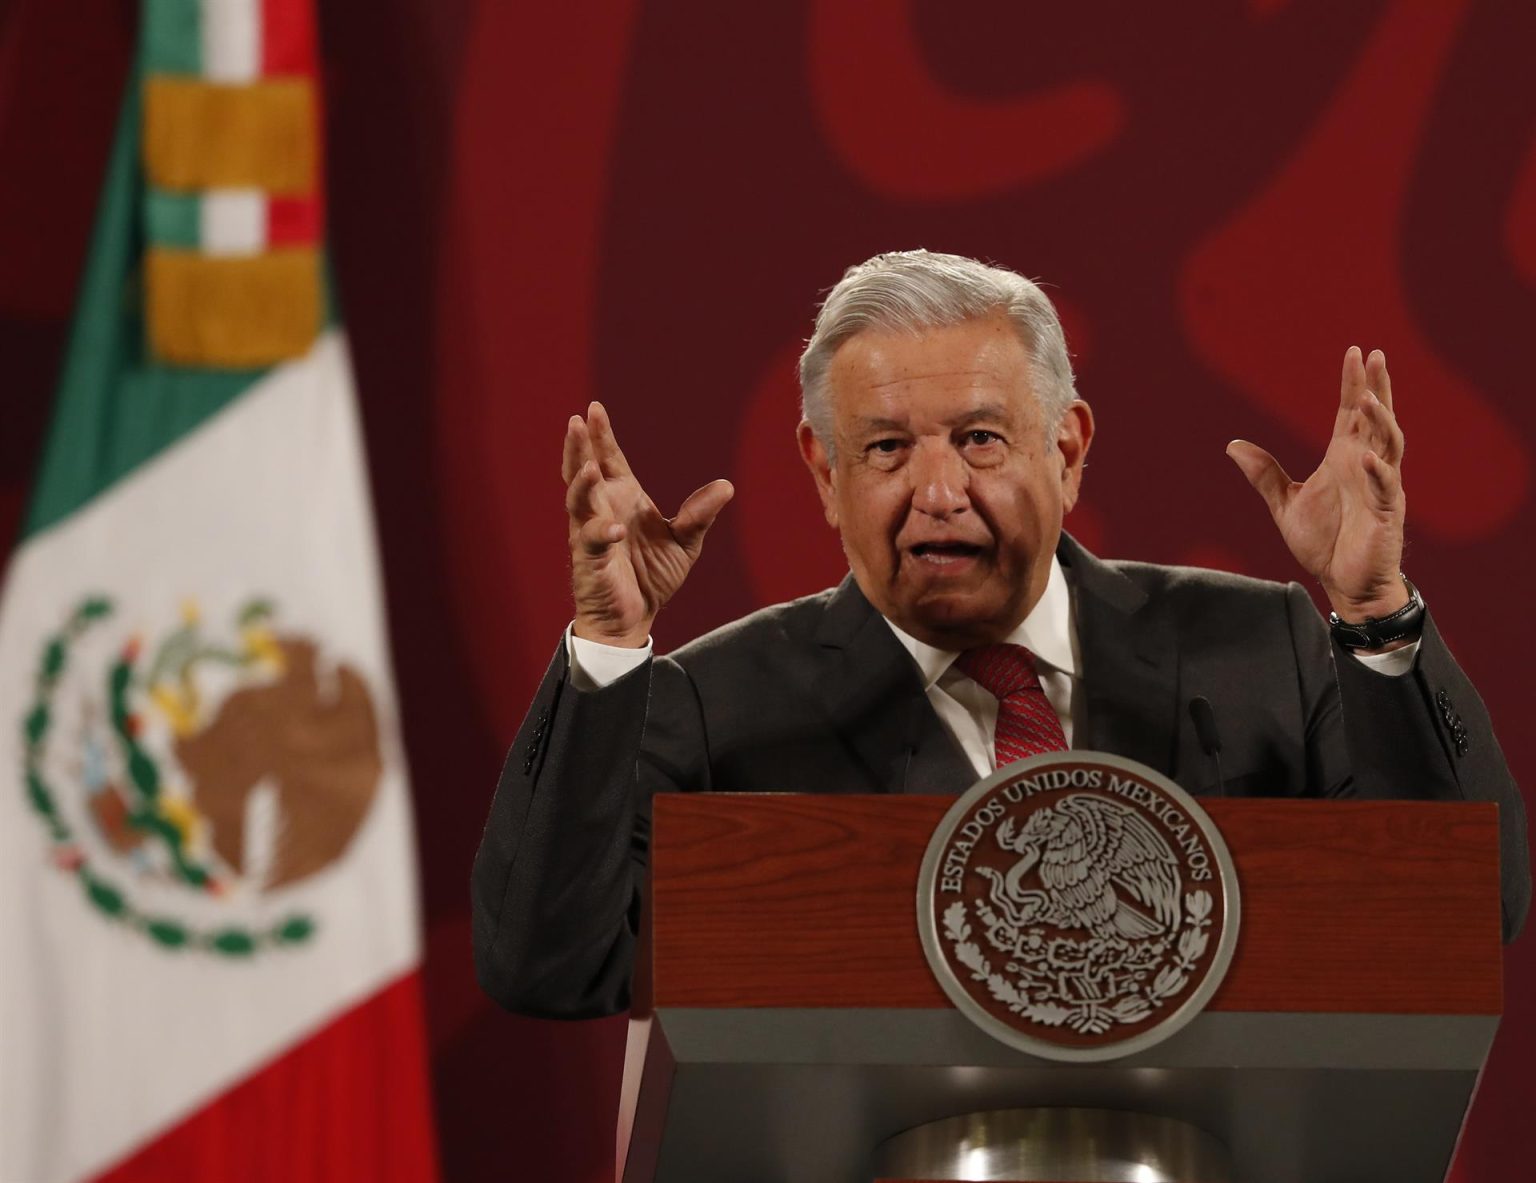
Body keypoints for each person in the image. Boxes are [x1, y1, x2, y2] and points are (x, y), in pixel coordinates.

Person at [472, 250, 1530, 1020]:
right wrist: (609, 645)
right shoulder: (716, 705)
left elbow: (1467, 912)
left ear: (1067, 450)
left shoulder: (1260, 645)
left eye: (981, 439)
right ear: (822, 473)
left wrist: (1378, 611)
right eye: (887, 447)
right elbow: (547, 963)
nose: (940, 492)